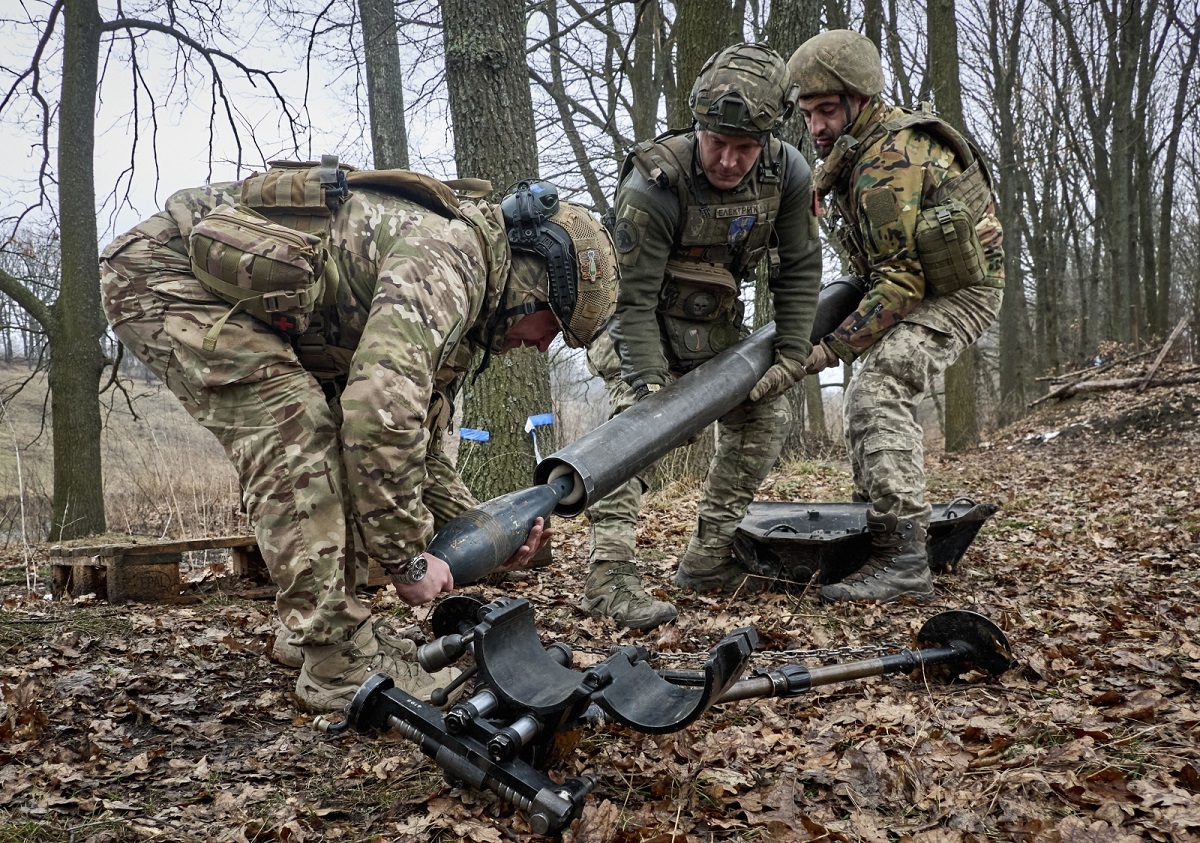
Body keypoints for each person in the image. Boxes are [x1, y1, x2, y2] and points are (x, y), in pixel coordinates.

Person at [100, 162, 618, 710]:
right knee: (294, 427)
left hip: (233, 297)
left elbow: (413, 450)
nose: (542, 347)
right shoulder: (446, 264)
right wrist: (409, 563)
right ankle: (337, 660)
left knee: (322, 426)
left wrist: (488, 534)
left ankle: (316, 634)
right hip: (163, 274)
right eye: (554, 329)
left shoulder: (468, 298)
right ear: (530, 289)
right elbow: (378, 424)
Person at [582, 42, 823, 630]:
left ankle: (708, 558)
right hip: (637, 330)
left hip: (714, 328)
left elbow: (799, 267)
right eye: (717, 143)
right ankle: (609, 578)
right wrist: (653, 390)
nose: (728, 160)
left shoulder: (787, 171)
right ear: (698, 128)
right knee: (632, 436)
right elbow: (627, 299)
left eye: (745, 148)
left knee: (766, 419)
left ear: (766, 141)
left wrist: (791, 355)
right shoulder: (655, 183)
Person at [788, 30, 1005, 603]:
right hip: (924, 285)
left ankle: (904, 560)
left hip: (963, 292)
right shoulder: (855, 152)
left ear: (859, 100)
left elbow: (901, 282)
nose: (816, 127)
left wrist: (830, 349)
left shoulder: (887, 161)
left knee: (879, 387)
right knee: (871, 384)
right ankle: (877, 533)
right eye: (808, 113)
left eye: (827, 111)